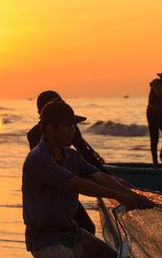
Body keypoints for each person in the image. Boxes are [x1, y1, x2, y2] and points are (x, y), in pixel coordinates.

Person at [22, 99, 153, 258]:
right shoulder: (38, 158)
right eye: (67, 126)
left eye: (74, 125)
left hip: (70, 232)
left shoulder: (71, 155)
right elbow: (77, 184)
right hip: (46, 239)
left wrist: (132, 193)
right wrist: (119, 195)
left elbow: (97, 176)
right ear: (49, 129)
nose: (73, 130)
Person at [27, 90, 106, 235]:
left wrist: (102, 172)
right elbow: (48, 170)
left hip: (67, 189)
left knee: (87, 228)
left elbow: (83, 152)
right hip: (51, 193)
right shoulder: (35, 139)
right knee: (82, 227)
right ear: (42, 112)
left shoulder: (68, 127)